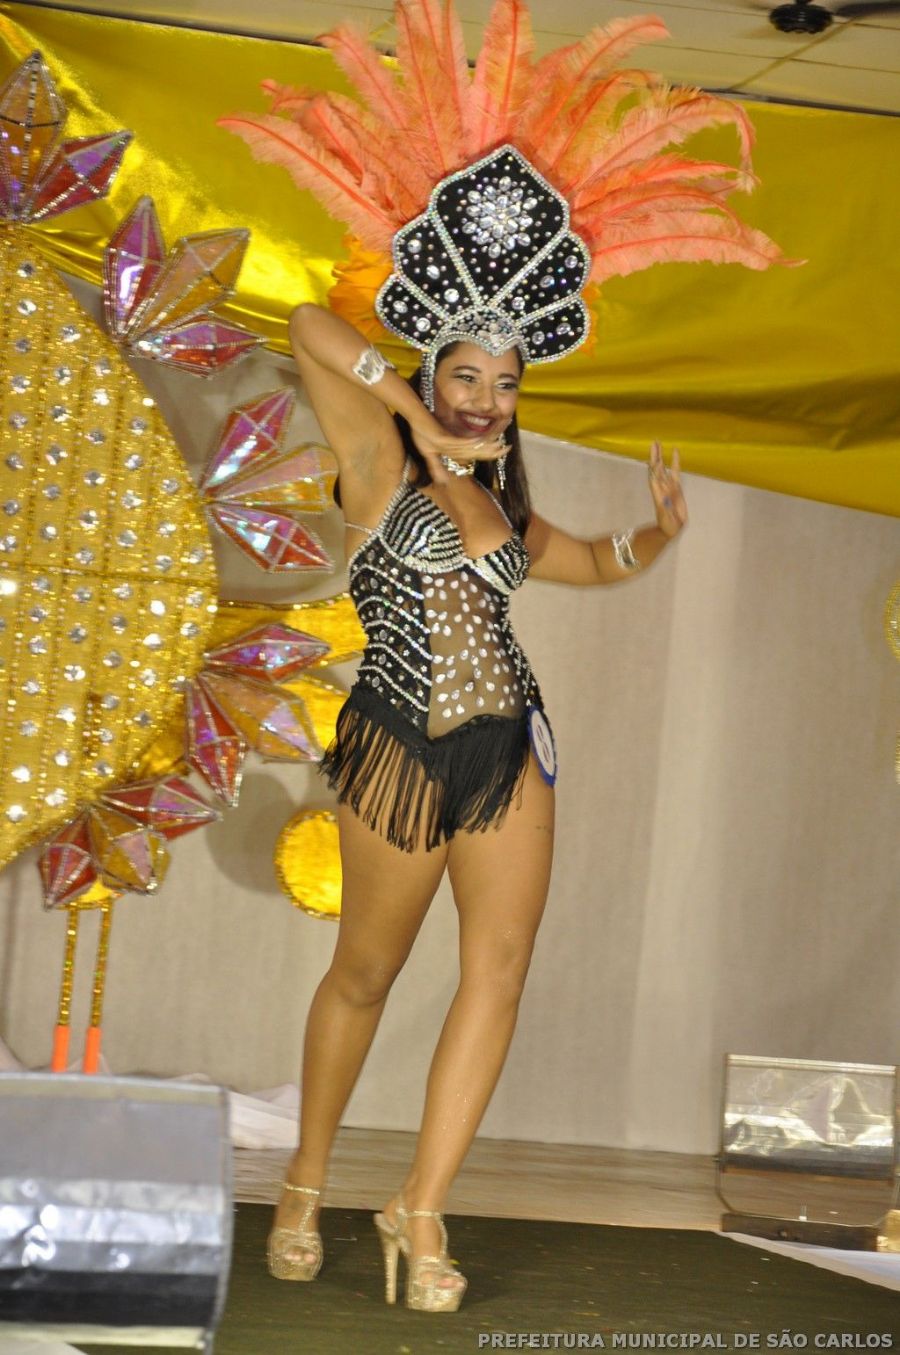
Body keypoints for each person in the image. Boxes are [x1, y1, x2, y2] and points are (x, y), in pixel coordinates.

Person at [265, 299, 687, 1312]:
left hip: (510, 751)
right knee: (365, 974)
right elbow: (307, 324)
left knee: (498, 972)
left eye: (505, 384)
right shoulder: (376, 457)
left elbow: (594, 560)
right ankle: (304, 1181)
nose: (485, 399)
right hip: (399, 744)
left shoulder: (505, 506)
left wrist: (658, 534)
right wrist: (414, 421)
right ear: (430, 373)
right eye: (466, 375)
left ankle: (421, 1208)